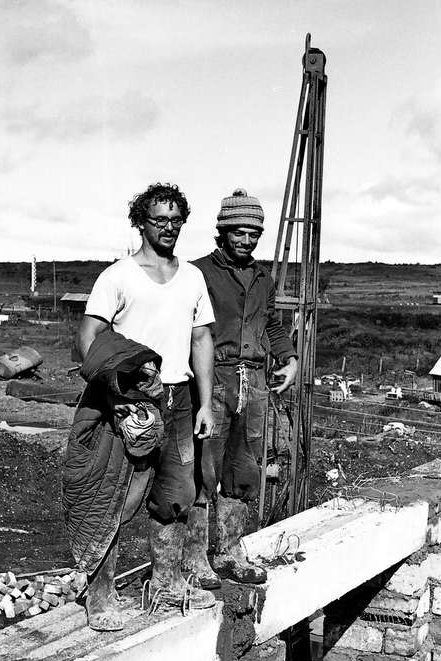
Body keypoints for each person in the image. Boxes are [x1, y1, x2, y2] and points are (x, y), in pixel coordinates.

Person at [69, 182, 216, 630]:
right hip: (132, 401)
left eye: (176, 220)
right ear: (140, 223)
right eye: (159, 220)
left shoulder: (192, 277)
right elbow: (87, 338)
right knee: (116, 495)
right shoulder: (118, 276)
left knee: (176, 496)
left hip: (179, 399)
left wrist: (205, 403)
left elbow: (201, 339)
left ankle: (166, 585)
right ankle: (100, 596)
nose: (168, 228)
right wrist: (116, 394)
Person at [183, 188, 298, 587]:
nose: (247, 240)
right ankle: (194, 558)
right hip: (213, 379)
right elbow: (187, 328)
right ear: (223, 232)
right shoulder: (198, 273)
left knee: (244, 468)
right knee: (203, 467)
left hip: (255, 383)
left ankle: (228, 553)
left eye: (254, 234)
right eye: (239, 232)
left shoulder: (263, 279)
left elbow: (272, 325)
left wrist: (290, 359)